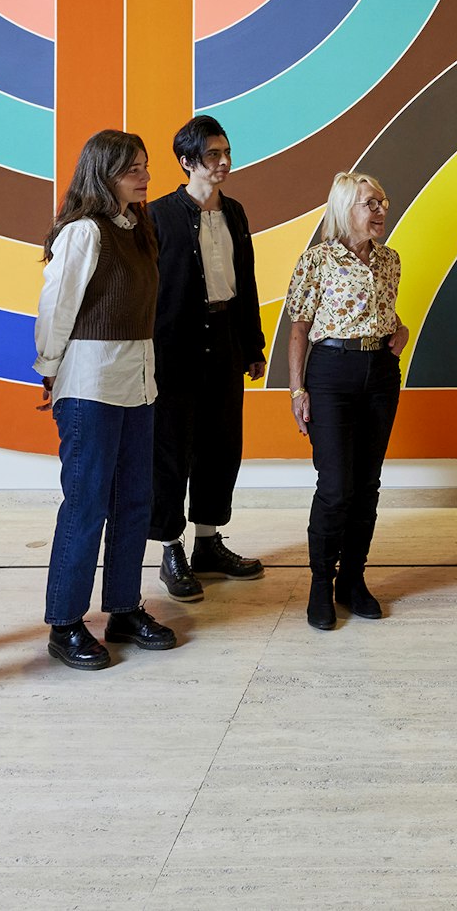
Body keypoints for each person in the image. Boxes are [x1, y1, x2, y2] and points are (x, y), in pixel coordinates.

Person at [34, 130, 175, 671]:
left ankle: (122, 608)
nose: (143, 176)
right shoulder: (84, 232)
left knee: (135, 503)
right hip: (90, 387)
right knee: (87, 505)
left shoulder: (139, 229)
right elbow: (57, 306)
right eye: (131, 169)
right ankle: (65, 623)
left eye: (144, 166)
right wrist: (49, 370)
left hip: (138, 385)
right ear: (102, 173)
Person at [146, 116, 269, 603]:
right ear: (187, 162)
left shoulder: (235, 212)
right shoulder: (156, 216)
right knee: (171, 449)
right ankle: (170, 548)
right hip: (173, 346)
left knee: (222, 445)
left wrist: (253, 344)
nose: (223, 162)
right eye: (213, 155)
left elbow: (248, 281)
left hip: (225, 340)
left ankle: (207, 542)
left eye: (226, 152)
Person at [284, 172, 409, 631]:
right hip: (331, 373)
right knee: (336, 487)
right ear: (345, 210)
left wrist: (402, 330)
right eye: (370, 203)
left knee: (367, 485)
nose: (380, 210)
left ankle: (352, 582)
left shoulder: (390, 261)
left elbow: (384, 316)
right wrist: (298, 390)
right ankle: (321, 583)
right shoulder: (317, 259)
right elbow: (299, 327)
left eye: (382, 201)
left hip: (379, 374)